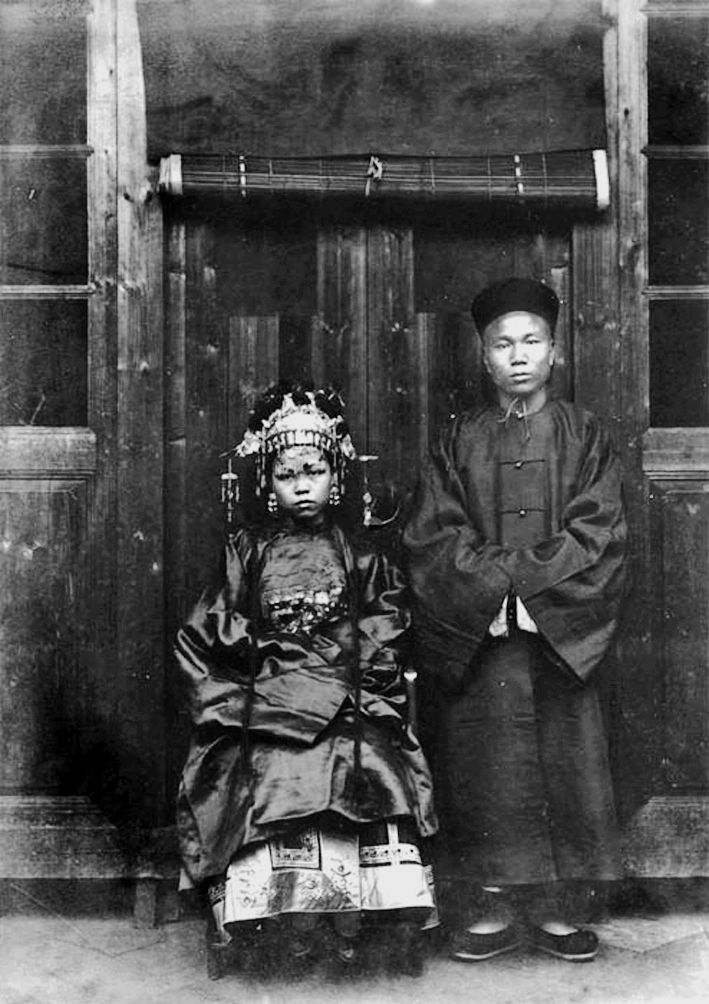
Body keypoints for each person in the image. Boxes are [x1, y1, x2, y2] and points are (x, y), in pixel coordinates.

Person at [175, 382, 438, 977]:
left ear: (335, 477)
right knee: (268, 763)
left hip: (346, 692)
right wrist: (278, 653)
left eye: (314, 472)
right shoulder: (246, 550)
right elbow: (213, 624)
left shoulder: (361, 554)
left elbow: (387, 622)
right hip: (269, 691)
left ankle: (356, 917)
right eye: (287, 475)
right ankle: (282, 919)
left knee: (370, 759)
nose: (301, 486)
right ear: (267, 484)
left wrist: (335, 659)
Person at [402, 277, 627, 964]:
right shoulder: (457, 438)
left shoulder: (584, 435)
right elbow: (435, 534)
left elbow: (598, 533)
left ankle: (558, 907)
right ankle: (493, 904)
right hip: (488, 637)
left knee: (565, 762)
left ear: (555, 352)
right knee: (487, 765)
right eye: (503, 344)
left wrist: (528, 596)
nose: (519, 355)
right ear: (483, 356)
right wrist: (493, 600)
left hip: (555, 638)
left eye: (532, 341)